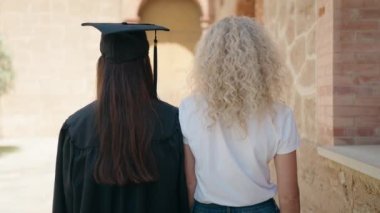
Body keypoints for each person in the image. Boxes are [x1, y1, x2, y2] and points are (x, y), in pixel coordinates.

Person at [53, 22, 188, 213]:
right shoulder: (173, 123)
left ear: (103, 68)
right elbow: (183, 197)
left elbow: (64, 203)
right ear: (145, 67)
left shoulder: (75, 130)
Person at [179, 16, 300, 213]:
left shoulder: (189, 109)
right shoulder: (280, 115)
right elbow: (289, 195)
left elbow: (190, 183)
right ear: (261, 58)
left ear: (208, 59)